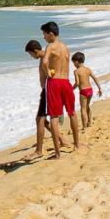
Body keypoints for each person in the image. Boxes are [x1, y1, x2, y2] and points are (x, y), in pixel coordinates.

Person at [40, 21, 81, 158]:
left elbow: (45, 61)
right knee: (72, 113)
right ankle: (77, 145)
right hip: (66, 82)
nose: (44, 37)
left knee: (54, 117)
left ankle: (58, 153)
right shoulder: (65, 47)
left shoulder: (50, 46)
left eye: (44, 34)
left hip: (55, 82)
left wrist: (48, 73)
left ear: (51, 33)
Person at [24, 40, 67, 161]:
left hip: (49, 91)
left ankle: (39, 151)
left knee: (40, 120)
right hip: (47, 91)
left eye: (30, 54)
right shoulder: (44, 58)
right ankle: (62, 140)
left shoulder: (45, 59)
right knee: (42, 120)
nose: (31, 56)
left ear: (35, 51)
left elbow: (52, 73)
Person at [71, 52, 103, 129]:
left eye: (73, 63)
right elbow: (95, 78)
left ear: (76, 62)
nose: (74, 65)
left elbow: (77, 83)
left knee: (83, 109)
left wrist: (71, 89)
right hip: (90, 90)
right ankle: (89, 122)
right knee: (87, 106)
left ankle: (84, 126)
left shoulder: (76, 71)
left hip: (83, 92)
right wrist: (100, 88)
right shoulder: (88, 69)